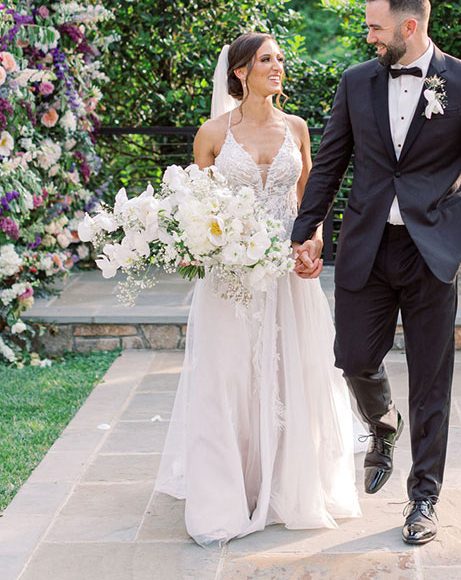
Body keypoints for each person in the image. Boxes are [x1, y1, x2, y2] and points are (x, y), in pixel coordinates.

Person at [292, 0, 461, 545]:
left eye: (376, 27)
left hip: (432, 254)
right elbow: (329, 164)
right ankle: (382, 422)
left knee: (430, 380)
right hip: (367, 245)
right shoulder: (355, 82)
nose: (368, 36)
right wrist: (304, 230)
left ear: (409, 27)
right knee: (352, 357)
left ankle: (423, 499)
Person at [155, 32, 361, 546]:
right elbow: (194, 211)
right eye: (267, 59)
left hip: (289, 278)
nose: (278, 66)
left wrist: (312, 246)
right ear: (241, 71)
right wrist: (202, 246)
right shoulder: (212, 134)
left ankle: (287, 487)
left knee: (293, 374)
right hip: (231, 281)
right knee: (229, 377)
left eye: (281, 59)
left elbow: (310, 202)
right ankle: (228, 493)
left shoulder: (297, 128)